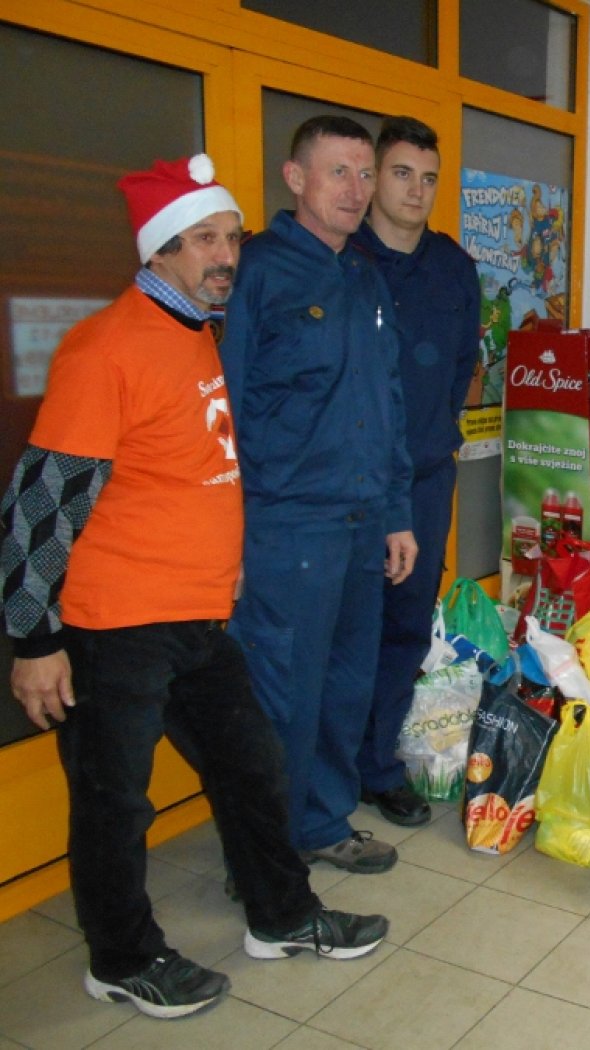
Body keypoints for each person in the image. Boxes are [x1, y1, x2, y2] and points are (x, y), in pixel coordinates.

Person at [0, 155, 388, 1020]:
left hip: (199, 616)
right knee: (114, 803)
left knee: (252, 768)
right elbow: (40, 504)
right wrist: (34, 640)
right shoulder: (106, 347)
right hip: (116, 624)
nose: (226, 256)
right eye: (204, 240)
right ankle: (122, 959)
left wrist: (227, 558)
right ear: (159, 251)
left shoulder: (193, 332)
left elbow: (188, 470)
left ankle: (281, 916)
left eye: (231, 238)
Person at [221, 116, 417, 874]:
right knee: (282, 696)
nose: (357, 189)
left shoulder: (364, 276)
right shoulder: (257, 272)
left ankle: (322, 822)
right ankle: (263, 857)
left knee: (344, 686)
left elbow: (388, 401)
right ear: (295, 177)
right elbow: (224, 408)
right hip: (286, 526)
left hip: (362, 522)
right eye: (339, 171)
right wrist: (227, 534)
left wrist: (397, 514)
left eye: (366, 174)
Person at [351, 116, 480, 828]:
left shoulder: (453, 267)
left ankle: (379, 767)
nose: (416, 190)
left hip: (426, 480)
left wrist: (431, 438)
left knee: (404, 627)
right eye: (402, 174)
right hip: (350, 483)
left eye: (428, 178)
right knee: (345, 631)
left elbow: (461, 365)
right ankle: (327, 774)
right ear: (375, 176)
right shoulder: (343, 258)